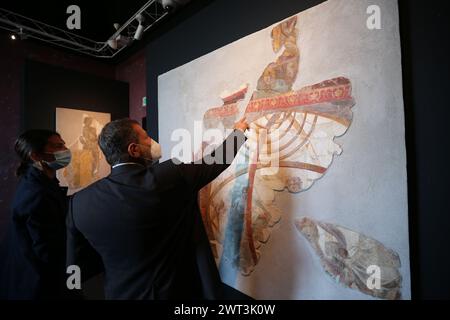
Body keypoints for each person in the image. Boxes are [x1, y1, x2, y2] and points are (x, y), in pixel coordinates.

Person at [66, 118, 248, 299]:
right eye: (146, 137)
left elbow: (76, 266)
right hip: (172, 293)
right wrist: (238, 132)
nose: (152, 141)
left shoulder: (79, 203)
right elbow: (216, 161)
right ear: (134, 150)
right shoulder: (168, 177)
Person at [0, 129, 72, 299]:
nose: (65, 149)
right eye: (57, 146)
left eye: (64, 144)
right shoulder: (37, 193)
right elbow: (47, 251)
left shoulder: (41, 182)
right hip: (36, 281)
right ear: (35, 156)